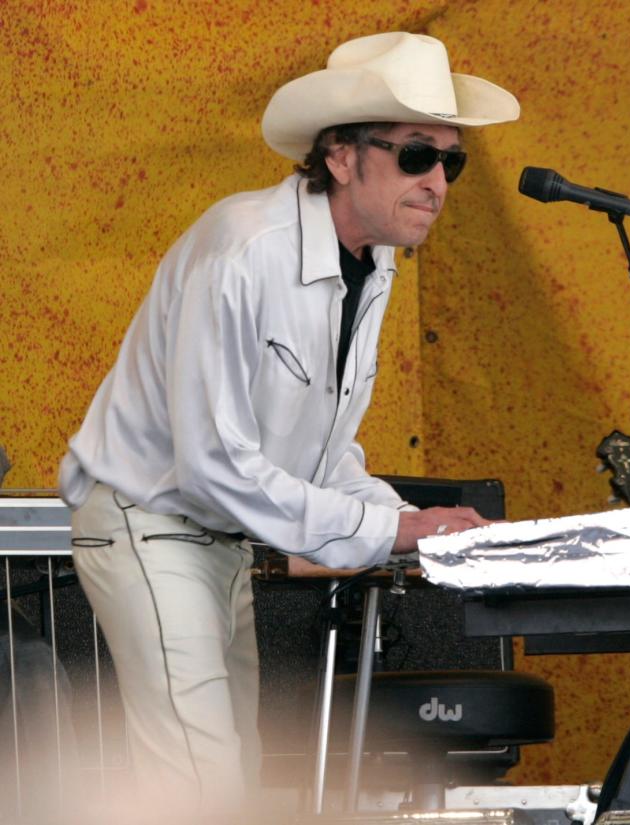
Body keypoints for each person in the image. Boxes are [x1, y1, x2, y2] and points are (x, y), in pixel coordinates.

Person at [58, 31, 519, 815]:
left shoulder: (373, 264)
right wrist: (400, 532)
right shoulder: (242, 249)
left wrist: (412, 520)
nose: (438, 181)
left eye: (453, 162)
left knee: (226, 778)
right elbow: (212, 463)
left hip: (218, 539)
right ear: (340, 155)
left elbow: (325, 453)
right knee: (201, 784)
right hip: (150, 522)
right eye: (416, 156)